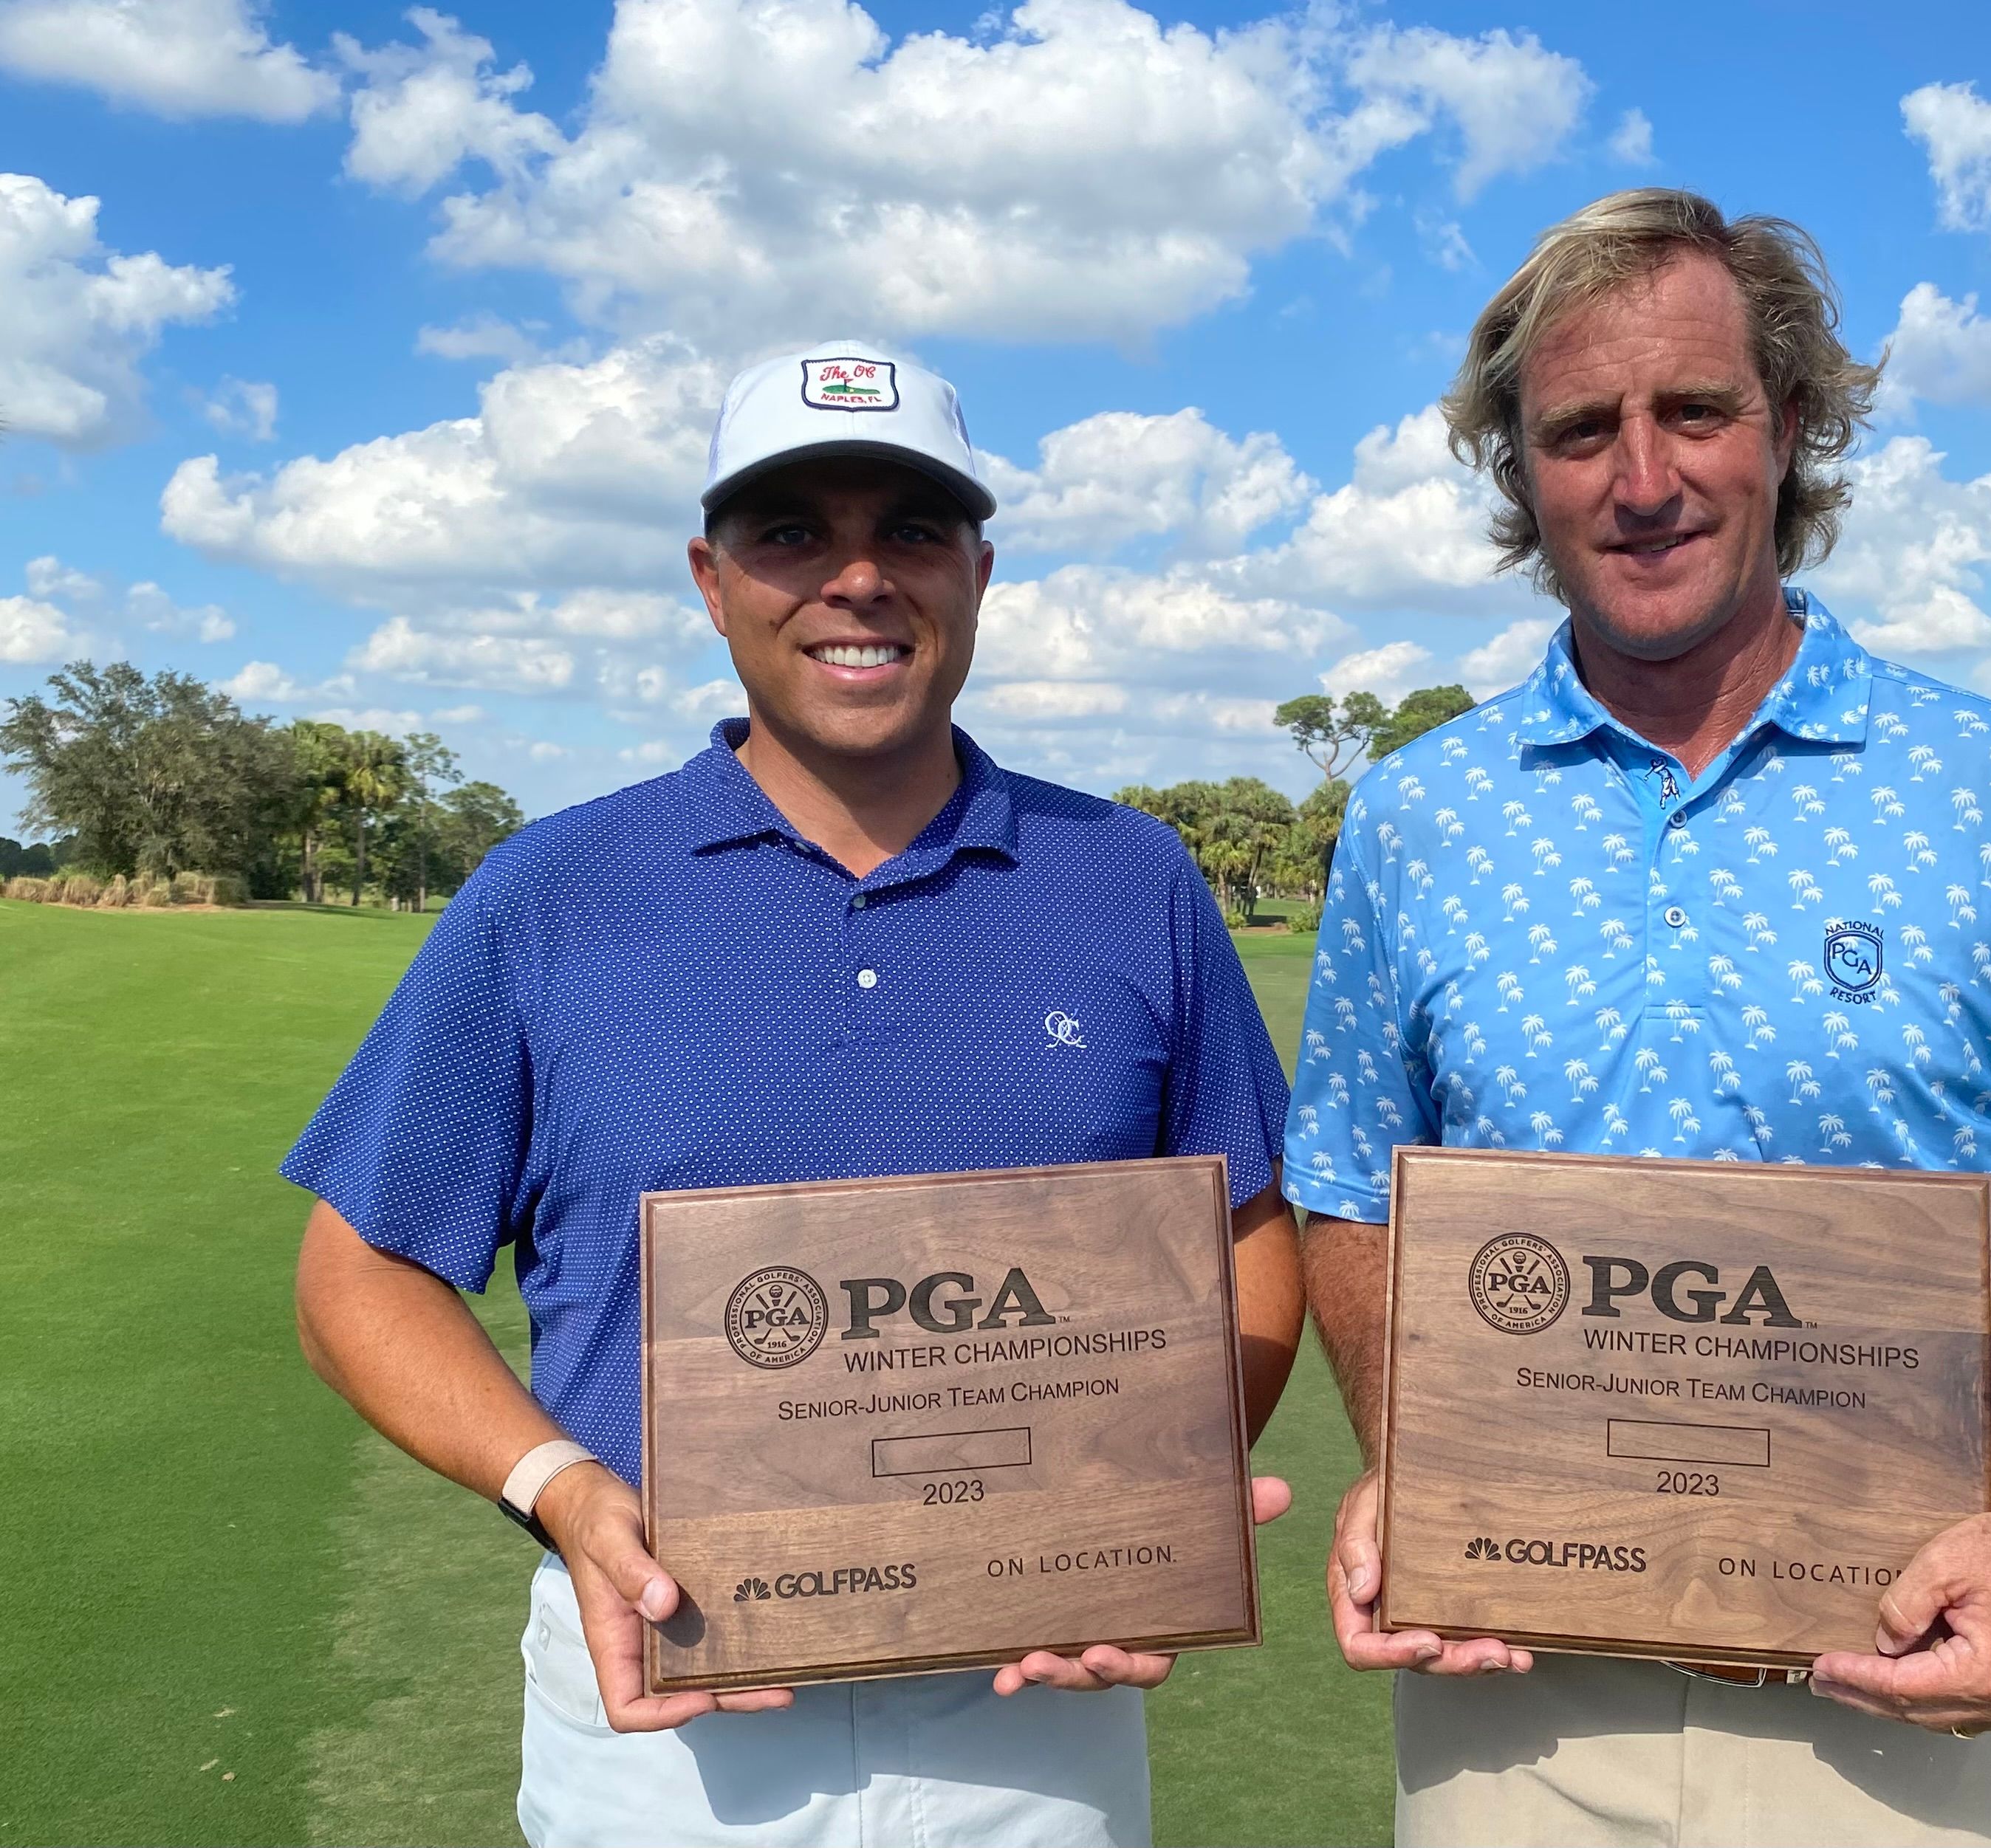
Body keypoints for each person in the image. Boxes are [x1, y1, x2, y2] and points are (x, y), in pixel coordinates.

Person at [1286, 190, 1991, 1847]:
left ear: (1793, 423)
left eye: (1696, 409)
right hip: (1514, 1713)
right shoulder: (1419, 815)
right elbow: (1342, 1185)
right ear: (1519, 472)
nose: (1643, 478)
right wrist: (1423, 1457)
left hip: (1910, 1716)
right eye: (1579, 429)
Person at [287, 340, 1303, 1848]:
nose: (858, 578)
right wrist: (560, 1488)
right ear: (712, 581)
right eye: (791, 533)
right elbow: (357, 1276)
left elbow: (1249, 1227)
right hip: (666, 1686)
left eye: (911, 530)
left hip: (1034, 1700)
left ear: (978, 572)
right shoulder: (549, 892)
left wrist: (1142, 1502)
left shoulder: (1129, 876)